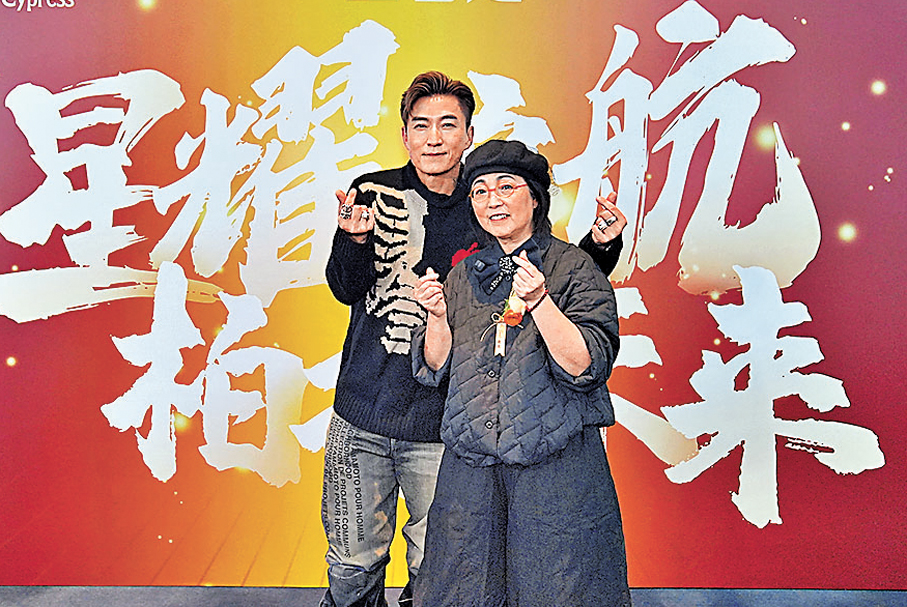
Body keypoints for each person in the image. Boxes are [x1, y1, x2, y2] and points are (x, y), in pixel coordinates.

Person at [322, 71, 626, 607]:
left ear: (468, 134)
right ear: (404, 134)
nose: (433, 138)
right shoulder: (372, 193)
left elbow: (543, 268)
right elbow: (346, 287)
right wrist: (353, 237)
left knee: (440, 569)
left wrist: (599, 248)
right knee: (352, 564)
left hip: (445, 422)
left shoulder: (485, 200)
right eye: (421, 125)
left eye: (448, 125)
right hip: (365, 407)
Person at [411, 139, 631, 606]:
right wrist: (436, 318)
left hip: (554, 459)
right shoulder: (463, 274)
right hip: (471, 462)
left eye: (506, 187)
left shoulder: (575, 267)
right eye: (480, 191)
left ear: (534, 198)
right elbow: (436, 367)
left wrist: (540, 302)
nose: (492, 199)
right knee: (463, 587)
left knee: (561, 586)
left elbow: (586, 365)